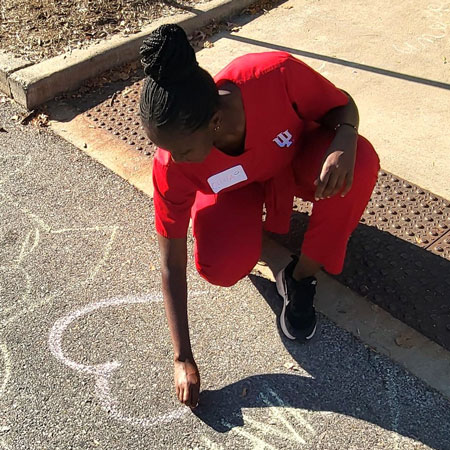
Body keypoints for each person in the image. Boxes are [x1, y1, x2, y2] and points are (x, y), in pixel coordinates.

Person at [139, 24, 380, 409]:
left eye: (182, 150)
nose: (173, 159)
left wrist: (346, 136)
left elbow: (341, 104)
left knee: (361, 162)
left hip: (294, 163)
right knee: (219, 266)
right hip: (236, 190)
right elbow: (171, 264)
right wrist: (182, 356)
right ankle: (264, 244)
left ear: (214, 123)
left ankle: (301, 277)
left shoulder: (273, 75)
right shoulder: (171, 164)